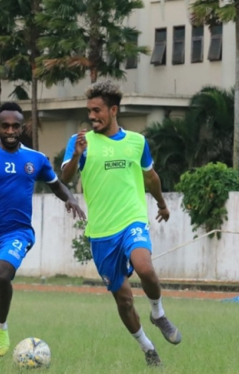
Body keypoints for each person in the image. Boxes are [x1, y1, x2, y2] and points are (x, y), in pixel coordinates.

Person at [0, 102, 85, 359]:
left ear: (22, 127)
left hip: (18, 232)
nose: (11, 130)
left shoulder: (36, 159)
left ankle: (1, 326)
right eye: (5, 125)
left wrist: (71, 199)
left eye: (16, 126)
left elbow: (56, 185)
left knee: (2, 275)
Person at [60, 81, 181, 367]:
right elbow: (63, 178)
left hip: (132, 220)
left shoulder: (137, 142)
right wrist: (76, 154)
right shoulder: (81, 143)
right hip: (101, 234)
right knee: (124, 300)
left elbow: (150, 177)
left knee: (146, 268)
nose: (92, 116)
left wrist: (162, 204)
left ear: (113, 110)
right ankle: (147, 348)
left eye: (97, 110)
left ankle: (158, 313)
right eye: (89, 110)